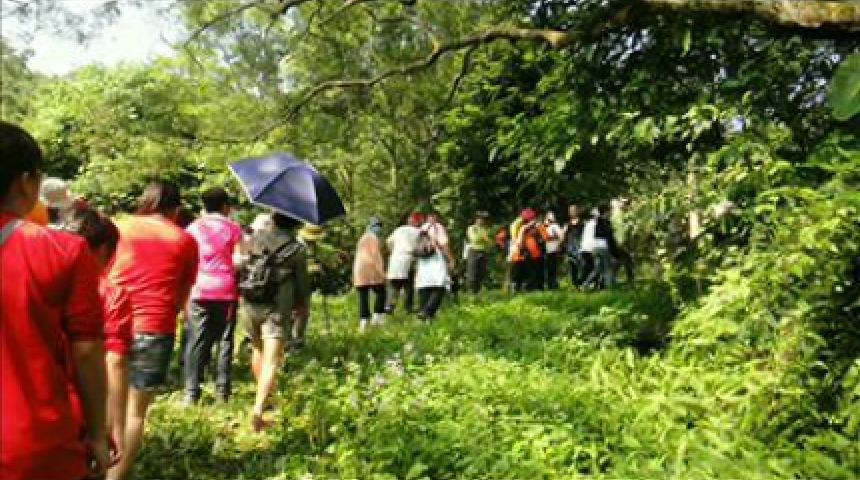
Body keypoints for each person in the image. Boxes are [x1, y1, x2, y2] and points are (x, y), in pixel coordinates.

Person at [0, 122, 112, 480]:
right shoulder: (63, 251)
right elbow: (87, 351)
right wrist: (97, 432)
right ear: (26, 181)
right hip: (35, 446)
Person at [107, 180, 199, 480]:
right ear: (176, 209)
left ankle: (91, 466)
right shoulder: (184, 240)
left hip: (108, 321)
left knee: (101, 400)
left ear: (144, 201)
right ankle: (115, 476)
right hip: (155, 326)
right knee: (135, 411)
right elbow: (183, 291)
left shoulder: (118, 228)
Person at [64, 206, 133, 480]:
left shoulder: (39, 281)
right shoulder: (111, 295)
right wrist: (112, 427)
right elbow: (115, 361)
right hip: (80, 412)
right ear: (104, 249)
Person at [241, 213, 310, 431]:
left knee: (257, 351)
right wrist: (302, 306)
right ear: (296, 223)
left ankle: (266, 397)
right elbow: (302, 284)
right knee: (272, 361)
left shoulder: (255, 239)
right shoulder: (297, 250)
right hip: (277, 309)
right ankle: (258, 412)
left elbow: (243, 267)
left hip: (250, 303)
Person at [184, 187, 244, 405]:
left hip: (198, 289)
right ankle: (222, 392)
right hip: (225, 291)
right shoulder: (234, 228)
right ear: (225, 207)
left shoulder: (192, 228)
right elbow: (239, 261)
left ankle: (191, 392)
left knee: (196, 340)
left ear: (204, 206)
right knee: (225, 340)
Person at [414, 213, 454, 320]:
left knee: (424, 286)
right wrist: (451, 259)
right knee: (440, 286)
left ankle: (424, 314)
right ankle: (427, 311)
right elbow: (444, 245)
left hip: (423, 261)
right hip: (435, 259)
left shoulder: (422, 228)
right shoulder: (438, 227)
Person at [353, 216, 387, 330]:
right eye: (377, 226)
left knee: (363, 296)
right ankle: (377, 318)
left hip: (359, 271)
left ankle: (364, 322)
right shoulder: (372, 238)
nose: (379, 228)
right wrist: (381, 273)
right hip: (370, 271)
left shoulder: (362, 238)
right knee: (381, 292)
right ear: (372, 226)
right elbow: (374, 257)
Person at [386, 212, 422, 313]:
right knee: (408, 285)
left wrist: (394, 250)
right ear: (416, 222)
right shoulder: (418, 231)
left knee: (394, 284)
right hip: (408, 258)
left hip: (395, 257)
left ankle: (389, 306)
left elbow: (388, 241)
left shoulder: (399, 229)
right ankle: (408, 308)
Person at [511, 208, 548, 292]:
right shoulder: (519, 227)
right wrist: (524, 229)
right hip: (521, 254)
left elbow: (545, 237)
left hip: (534, 254)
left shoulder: (537, 227)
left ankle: (533, 287)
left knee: (534, 272)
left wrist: (540, 229)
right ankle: (519, 287)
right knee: (519, 273)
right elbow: (517, 242)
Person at [582, 204, 617, 289]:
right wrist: (614, 253)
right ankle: (610, 288)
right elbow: (609, 238)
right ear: (606, 212)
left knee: (598, 269)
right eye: (610, 211)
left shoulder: (596, 221)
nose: (611, 213)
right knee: (608, 268)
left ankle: (584, 286)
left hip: (595, 247)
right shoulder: (606, 222)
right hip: (603, 247)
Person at [465, 211, 493, 294]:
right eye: (480, 219)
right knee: (472, 272)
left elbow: (491, 242)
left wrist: (484, 239)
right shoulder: (472, 228)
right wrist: (484, 238)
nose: (481, 220)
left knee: (481, 273)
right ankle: (471, 292)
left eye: (483, 219)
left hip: (483, 251)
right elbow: (474, 239)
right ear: (476, 219)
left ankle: (477, 292)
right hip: (473, 251)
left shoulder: (486, 229)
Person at [562, 204, 585, 287]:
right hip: (570, 247)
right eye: (570, 211)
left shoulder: (582, 223)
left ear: (577, 211)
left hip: (579, 246)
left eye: (573, 210)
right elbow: (564, 236)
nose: (572, 212)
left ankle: (581, 282)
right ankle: (575, 283)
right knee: (573, 266)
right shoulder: (567, 224)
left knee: (582, 264)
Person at [542, 211, 564, 289]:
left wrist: (559, 246)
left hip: (554, 249)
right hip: (546, 250)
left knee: (553, 268)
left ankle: (553, 284)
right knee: (548, 268)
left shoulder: (555, 226)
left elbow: (561, 237)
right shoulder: (544, 227)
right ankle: (549, 284)